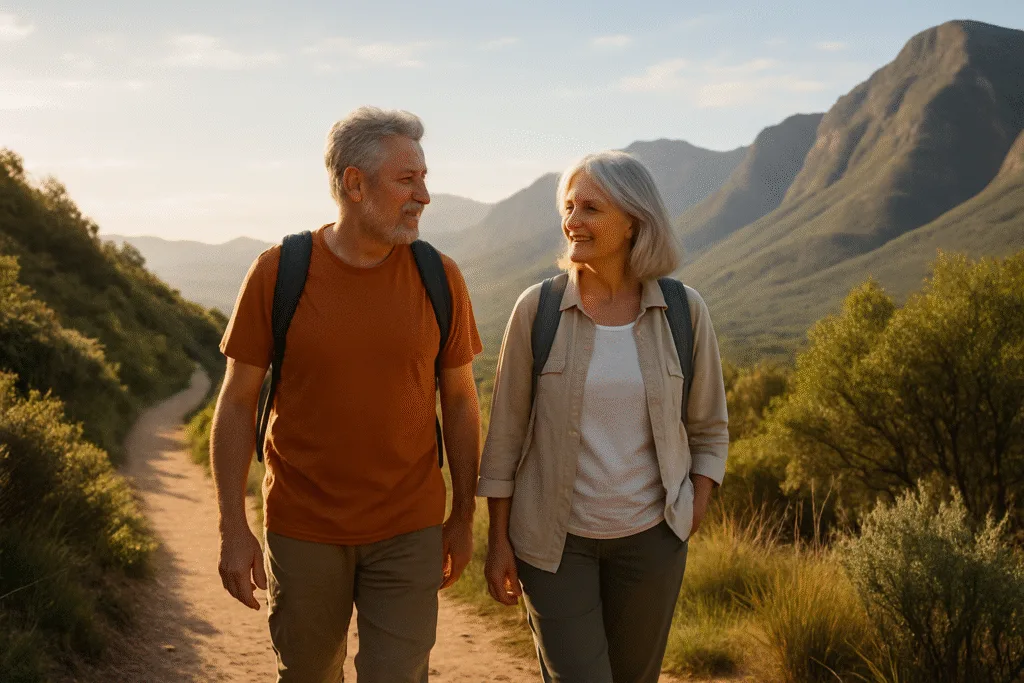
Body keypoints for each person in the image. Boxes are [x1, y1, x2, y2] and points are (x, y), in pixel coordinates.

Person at [211, 106, 483, 683]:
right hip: (303, 526)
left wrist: (462, 515)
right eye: (407, 179)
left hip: (409, 526)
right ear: (353, 183)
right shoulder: (278, 272)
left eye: (424, 178)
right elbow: (236, 402)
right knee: (309, 673)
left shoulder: (440, 277)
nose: (425, 196)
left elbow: (460, 401)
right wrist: (234, 527)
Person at [478, 150, 729, 683]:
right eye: (568, 206)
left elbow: (709, 429)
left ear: (634, 220)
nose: (572, 220)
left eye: (590, 208)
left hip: (653, 542)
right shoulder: (537, 310)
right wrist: (497, 540)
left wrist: (693, 509)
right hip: (553, 545)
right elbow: (503, 440)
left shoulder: (685, 312)